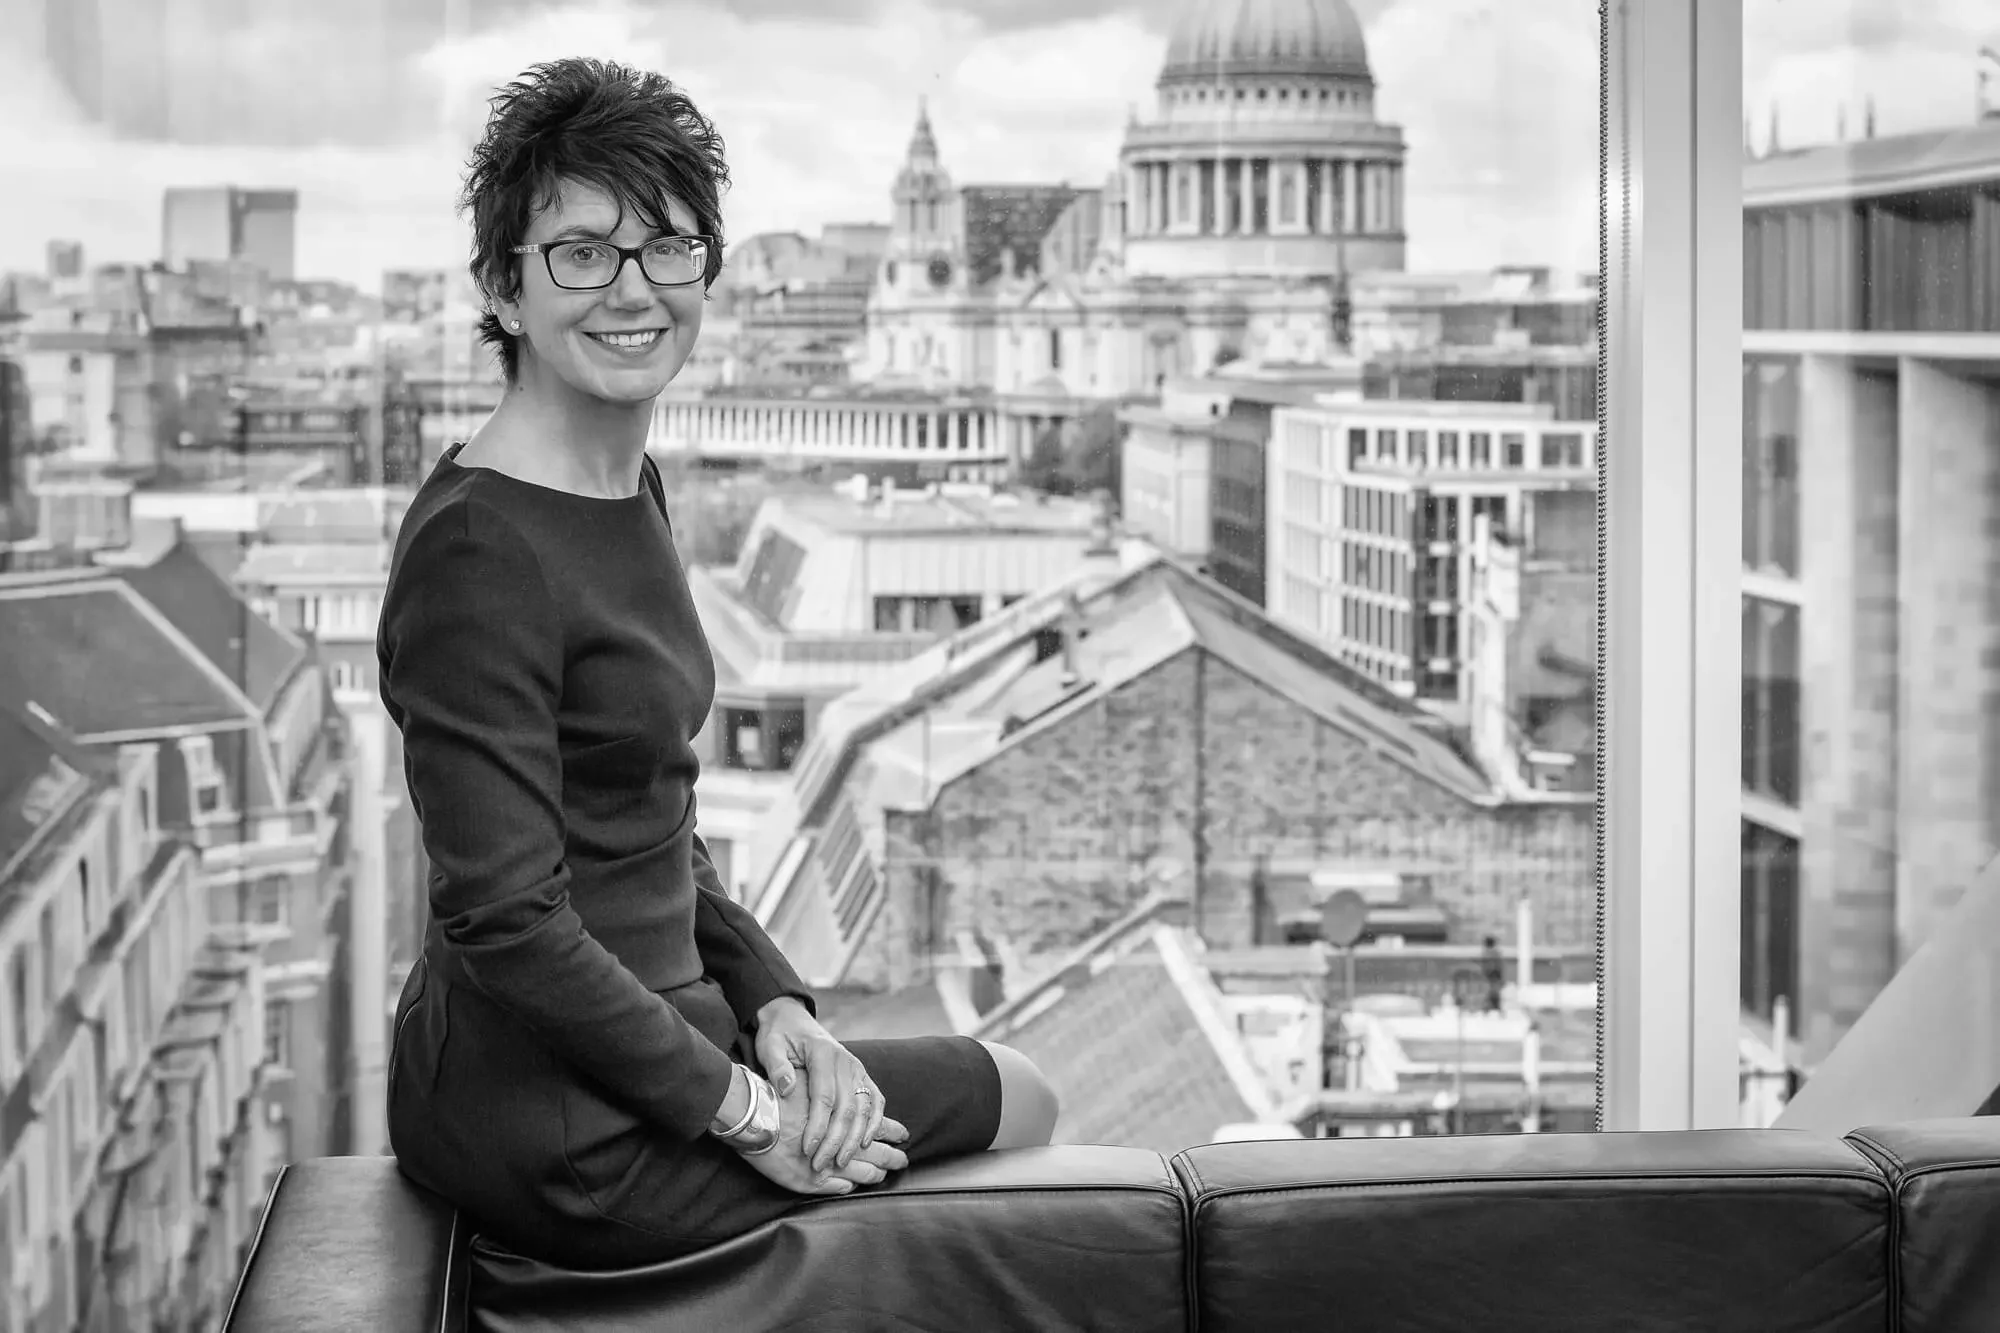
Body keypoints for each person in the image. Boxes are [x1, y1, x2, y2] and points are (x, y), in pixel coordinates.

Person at [379, 57, 1059, 1270]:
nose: (632, 289)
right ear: (502, 284)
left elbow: (649, 807)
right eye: (583, 252)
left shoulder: (619, 480)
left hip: (662, 1034)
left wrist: (781, 1004)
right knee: (1021, 1104)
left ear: (709, 267)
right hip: (563, 1113)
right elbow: (505, 920)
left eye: (668, 247)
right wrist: (747, 1112)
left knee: (1014, 1091)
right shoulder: (480, 548)